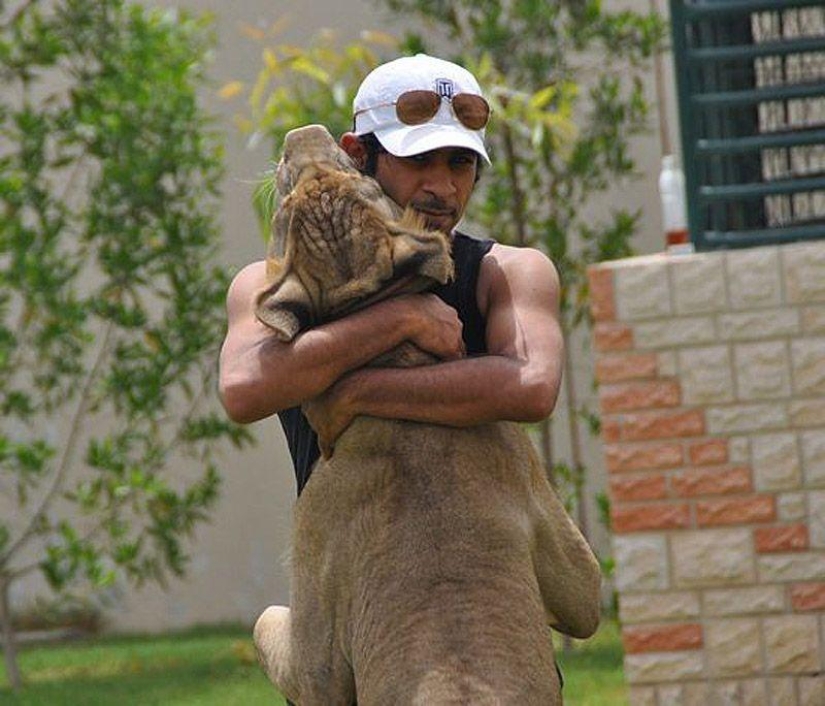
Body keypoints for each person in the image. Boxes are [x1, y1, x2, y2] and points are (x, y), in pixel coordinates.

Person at [219, 53, 564, 496]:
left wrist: (357, 393)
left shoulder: (506, 272)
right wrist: (403, 320)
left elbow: (531, 386)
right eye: (419, 160)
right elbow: (245, 389)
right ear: (357, 155)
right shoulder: (270, 283)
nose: (442, 187)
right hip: (350, 557)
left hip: (483, 558)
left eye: (460, 163)